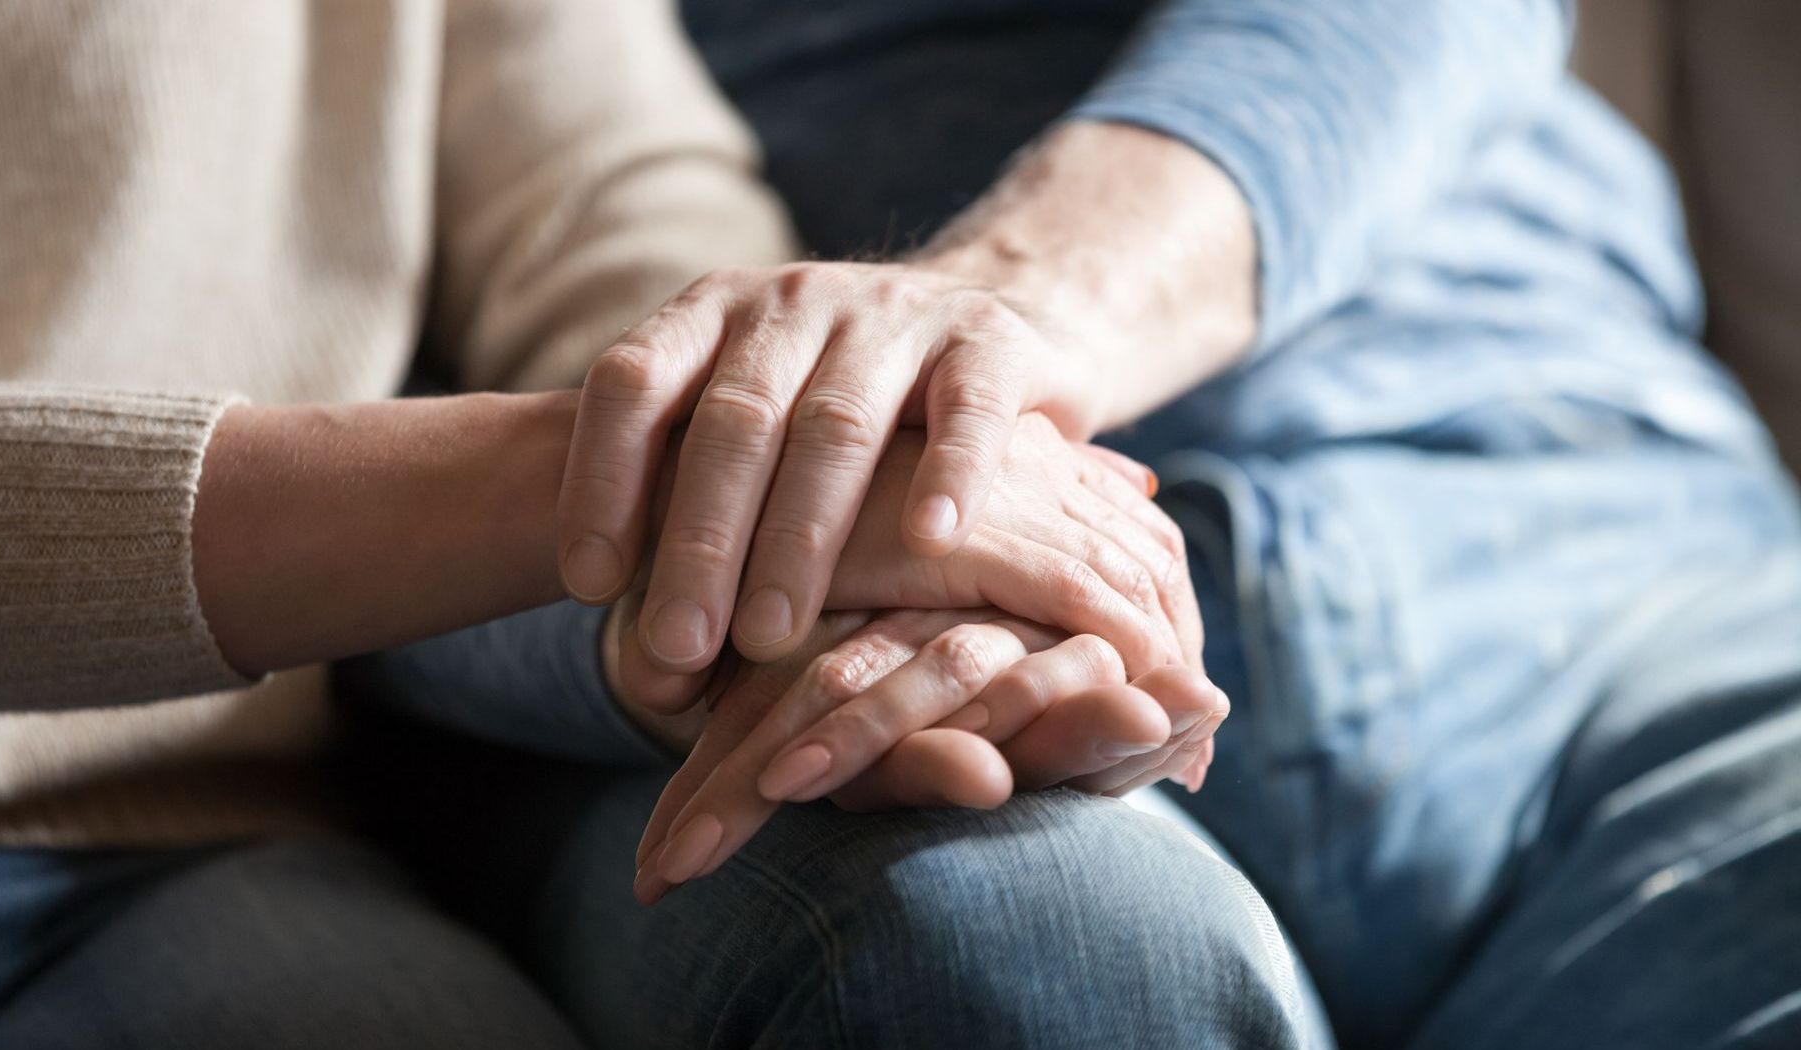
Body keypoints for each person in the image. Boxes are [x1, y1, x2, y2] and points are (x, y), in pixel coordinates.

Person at [345, 0, 1801, 1047]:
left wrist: (980, 343)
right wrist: (743, 586)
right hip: (812, 718)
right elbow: (324, 401)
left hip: (1602, 571)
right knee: (1021, 953)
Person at [0, 2, 1172, 1046]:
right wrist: (640, 472)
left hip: (179, 847)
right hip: (204, 841)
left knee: (1096, 929)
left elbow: (620, 214)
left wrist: (835, 515)